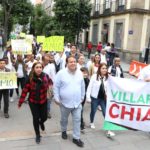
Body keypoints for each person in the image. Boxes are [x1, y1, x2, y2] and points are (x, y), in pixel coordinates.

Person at [18, 62, 53, 144]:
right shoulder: (30, 78)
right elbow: (25, 91)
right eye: (37, 67)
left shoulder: (45, 76)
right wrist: (20, 102)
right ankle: (37, 134)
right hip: (33, 102)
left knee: (44, 117)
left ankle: (42, 122)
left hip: (43, 100)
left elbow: (51, 81)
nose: (39, 69)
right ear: (33, 68)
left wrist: (50, 87)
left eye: (40, 67)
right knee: (36, 118)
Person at [54, 56, 85, 147]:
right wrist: (56, 98)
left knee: (77, 119)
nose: (73, 63)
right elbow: (56, 86)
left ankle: (76, 138)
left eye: (74, 61)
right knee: (64, 119)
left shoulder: (79, 73)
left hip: (77, 103)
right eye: (71, 62)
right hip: (64, 103)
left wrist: (82, 97)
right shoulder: (61, 73)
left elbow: (82, 86)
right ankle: (63, 130)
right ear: (67, 63)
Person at [86, 63, 115, 137]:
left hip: (103, 99)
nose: (105, 70)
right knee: (93, 111)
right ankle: (91, 122)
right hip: (95, 98)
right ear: (99, 69)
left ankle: (108, 130)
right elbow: (89, 87)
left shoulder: (108, 77)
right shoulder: (94, 76)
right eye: (103, 68)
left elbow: (111, 87)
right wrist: (88, 97)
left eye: (106, 68)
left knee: (105, 113)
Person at [80, 67, 89, 133]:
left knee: (80, 110)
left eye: (85, 72)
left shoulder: (87, 80)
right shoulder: (78, 79)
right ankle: (81, 124)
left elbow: (88, 87)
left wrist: (85, 79)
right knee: (79, 111)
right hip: (77, 97)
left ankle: (81, 123)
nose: (84, 74)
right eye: (82, 72)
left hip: (83, 97)